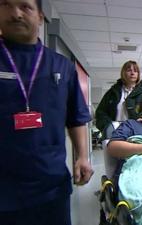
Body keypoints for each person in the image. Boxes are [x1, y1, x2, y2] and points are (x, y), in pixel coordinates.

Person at [0, 0, 93, 225]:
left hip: (51, 185)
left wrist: (82, 156)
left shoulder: (62, 66)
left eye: (25, 6)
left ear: (40, 17)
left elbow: (76, 117)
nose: (16, 14)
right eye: (5, 4)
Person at [95, 60, 142, 135]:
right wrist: (108, 127)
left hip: (136, 133)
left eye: (135, 71)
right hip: (115, 132)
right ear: (123, 73)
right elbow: (101, 112)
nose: (132, 73)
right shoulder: (113, 92)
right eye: (129, 70)